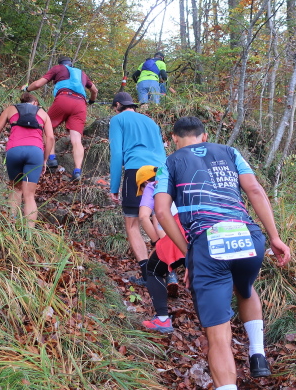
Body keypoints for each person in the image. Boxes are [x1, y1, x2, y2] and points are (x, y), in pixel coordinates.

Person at [154, 116, 291, 390]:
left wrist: (189, 253)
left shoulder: (169, 163)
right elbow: (255, 190)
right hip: (249, 236)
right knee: (245, 288)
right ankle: (258, 355)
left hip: (208, 242)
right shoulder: (230, 152)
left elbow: (161, 212)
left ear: (173, 139)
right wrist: (274, 237)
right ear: (204, 136)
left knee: (218, 337)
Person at [108, 92, 166, 285]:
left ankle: (148, 275)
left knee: (132, 224)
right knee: (159, 220)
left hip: (137, 171)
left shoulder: (118, 120)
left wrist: (114, 186)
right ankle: (169, 270)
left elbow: (117, 154)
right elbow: (162, 151)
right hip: (160, 172)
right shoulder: (151, 122)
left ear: (118, 105)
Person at [21, 56, 98, 182]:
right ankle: (77, 171)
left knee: (46, 127)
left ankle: (51, 158)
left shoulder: (58, 68)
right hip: (80, 104)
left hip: (64, 98)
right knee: (76, 139)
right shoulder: (82, 73)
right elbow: (94, 90)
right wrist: (91, 101)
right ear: (71, 64)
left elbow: (39, 84)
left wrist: (26, 89)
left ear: (60, 63)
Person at [0, 92, 55, 227]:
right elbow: (51, 138)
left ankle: (11, 226)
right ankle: (29, 233)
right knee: (29, 195)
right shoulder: (43, 113)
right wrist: (45, 159)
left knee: (16, 189)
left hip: (14, 151)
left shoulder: (10, 109)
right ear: (35, 103)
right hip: (35, 152)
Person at [136, 165, 185, 333]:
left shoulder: (153, 186)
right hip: (196, 231)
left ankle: (163, 319)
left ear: (145, 182)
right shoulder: (179, 181)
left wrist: (157, 242)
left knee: (153, 269)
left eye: (141, 188)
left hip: (174, 233)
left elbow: (144, 217)